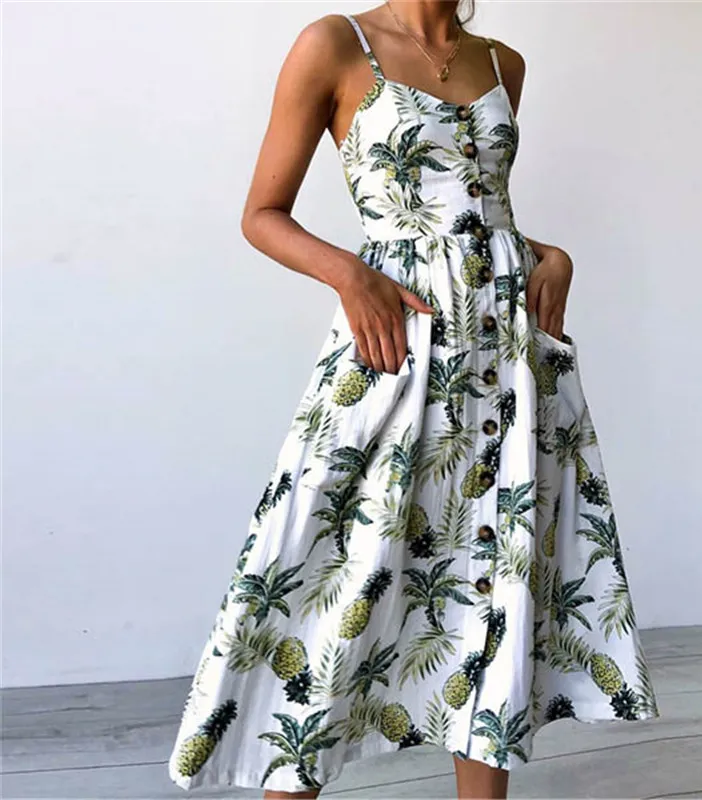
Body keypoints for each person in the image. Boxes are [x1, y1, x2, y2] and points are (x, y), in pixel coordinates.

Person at [167, 2, 661, 798]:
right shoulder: (335, 44)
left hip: (506, 361)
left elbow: (474, 213)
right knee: (341, 570)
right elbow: (261, 215)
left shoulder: (501, 63)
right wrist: (349, 273)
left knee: (495, 576)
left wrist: (552, 256)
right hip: (396, 352)